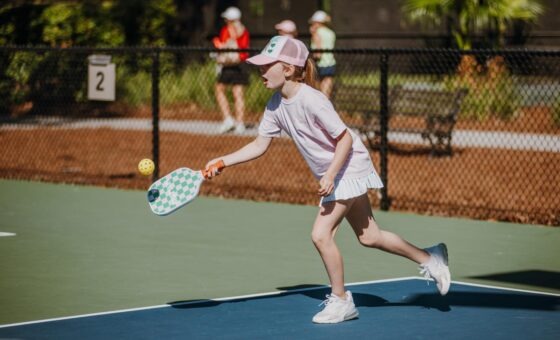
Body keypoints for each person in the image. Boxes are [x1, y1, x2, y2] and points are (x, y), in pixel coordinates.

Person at [204, 36, 451, 324]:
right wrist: (223, 161)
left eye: (266, 65)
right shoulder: (275, 105)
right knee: (369, 237)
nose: (260, 71)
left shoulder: (312, 100)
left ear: (287, 69)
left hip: (347, 165)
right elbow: (259, 145)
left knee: (321, 234)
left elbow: (344, 137)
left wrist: (331, 174)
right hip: (338, 170)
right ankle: (430, 258)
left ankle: (341, 300)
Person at [213, 6, 250, 134]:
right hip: (238, 64)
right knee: (235, 93)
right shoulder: (243, 30)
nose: (225, 21)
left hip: (233, 64)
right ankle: (237, 122)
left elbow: (224, 46)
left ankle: (231, 120)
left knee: (223, 90)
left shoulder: (229, 29)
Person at [309, 10, 336, 98]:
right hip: (330, 63)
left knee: (317, 92)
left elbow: (318, 53)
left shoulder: (317, 33)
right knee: (326, 93)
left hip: (319, 64)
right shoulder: (331, 33)